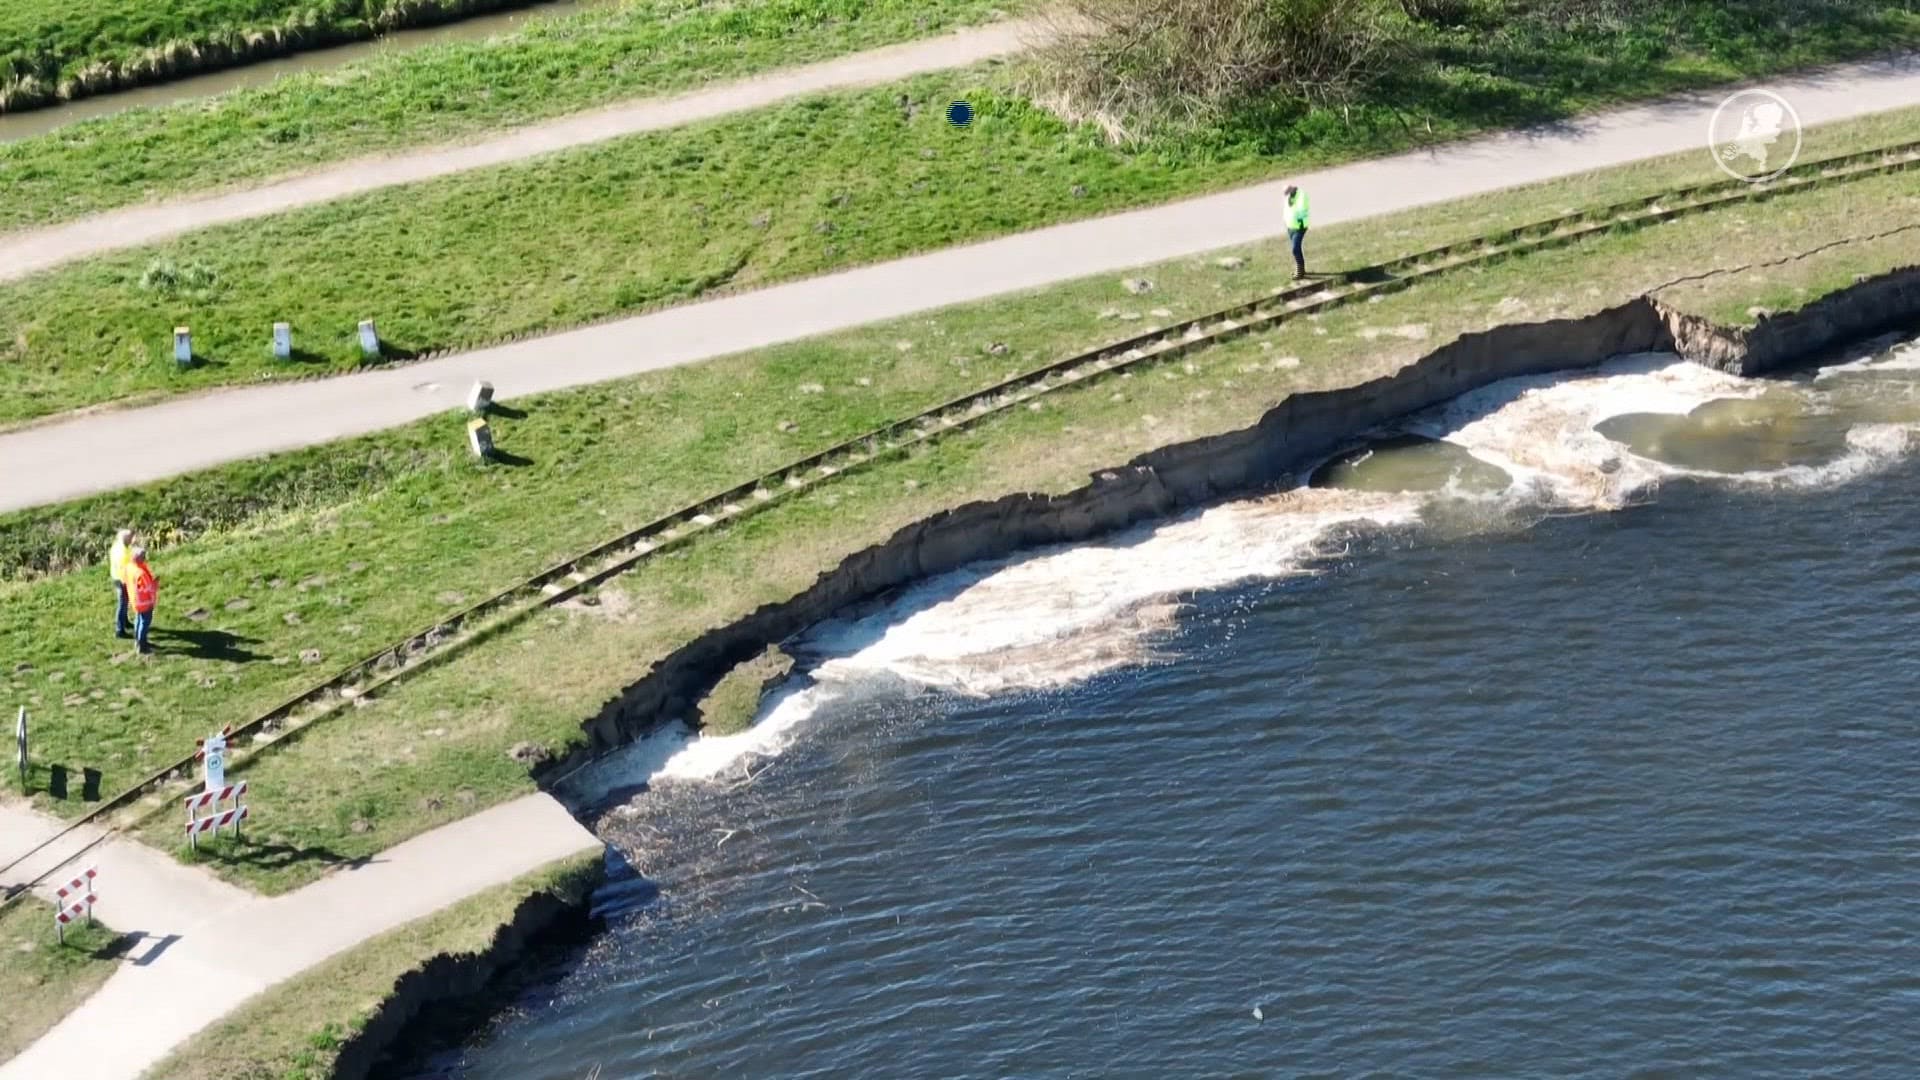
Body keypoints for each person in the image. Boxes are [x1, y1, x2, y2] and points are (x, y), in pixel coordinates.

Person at [124, 545, 158, 655]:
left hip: (135, 600)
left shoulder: (129, 567)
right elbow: (149, 587)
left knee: (138, 619)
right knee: (145, 622)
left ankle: (137, 641)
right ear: (137, 558)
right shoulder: (140, 573)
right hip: (144, 601)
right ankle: (142, 645)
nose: (145, 558)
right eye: (143, 556)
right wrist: (155, 583)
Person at [108, 528, 134, 639]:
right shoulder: (121, 551)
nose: (132, 540)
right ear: (125, 539)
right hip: (122, 578)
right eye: (130, 538)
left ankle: (125, 621)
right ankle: (119, 630)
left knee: (125, 601)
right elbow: (124, 566)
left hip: (119, 577)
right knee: (122, 603)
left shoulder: (119, 546)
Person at [1285, 185, 1311, 279]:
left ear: (1292, 189)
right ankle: (1301, 270)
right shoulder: (1289, 196)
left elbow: (1301, 210)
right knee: (1297, 249)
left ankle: (1299, 272)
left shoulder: (1302, 196)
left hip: (1299, 227)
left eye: (1287, 192)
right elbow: (1288, 209)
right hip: (1291, 226)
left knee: (1295, 249)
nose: (1286, 195)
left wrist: (1299, 222)